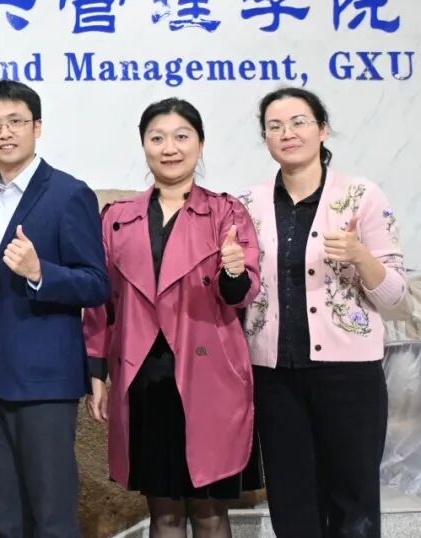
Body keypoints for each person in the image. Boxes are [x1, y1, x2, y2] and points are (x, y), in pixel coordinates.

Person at [83, 98, 261, 538]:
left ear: (200, 143)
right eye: (157, 137)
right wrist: (96, 374)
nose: (170, 148)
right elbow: (101, 305)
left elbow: (240, 293)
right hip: (144, 378)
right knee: (162, 513)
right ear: (143, 145)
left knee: (210, 513)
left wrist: (234, 271)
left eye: (182, 136)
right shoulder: (117, 218)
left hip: (210, 377)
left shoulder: (226, 212)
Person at [241, 86, 407, 538]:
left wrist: (360, 256)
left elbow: (394, 297)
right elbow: (240, 292)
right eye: (275, 126)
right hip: (274, 376)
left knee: (354, 501)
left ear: (322, 130)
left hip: (349, 376)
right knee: (292, 502)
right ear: (265, 137)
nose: (287, 133)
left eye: (299, 122)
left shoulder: (362, 196)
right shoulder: (248, 205)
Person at [0, 80, 109, 538]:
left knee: (52, 517)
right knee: (6, 518)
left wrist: (40, 271)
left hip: (44, 382)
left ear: (37, 127)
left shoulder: (69, 193)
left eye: (16, 122)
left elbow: (96, 284)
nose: (5, 133)